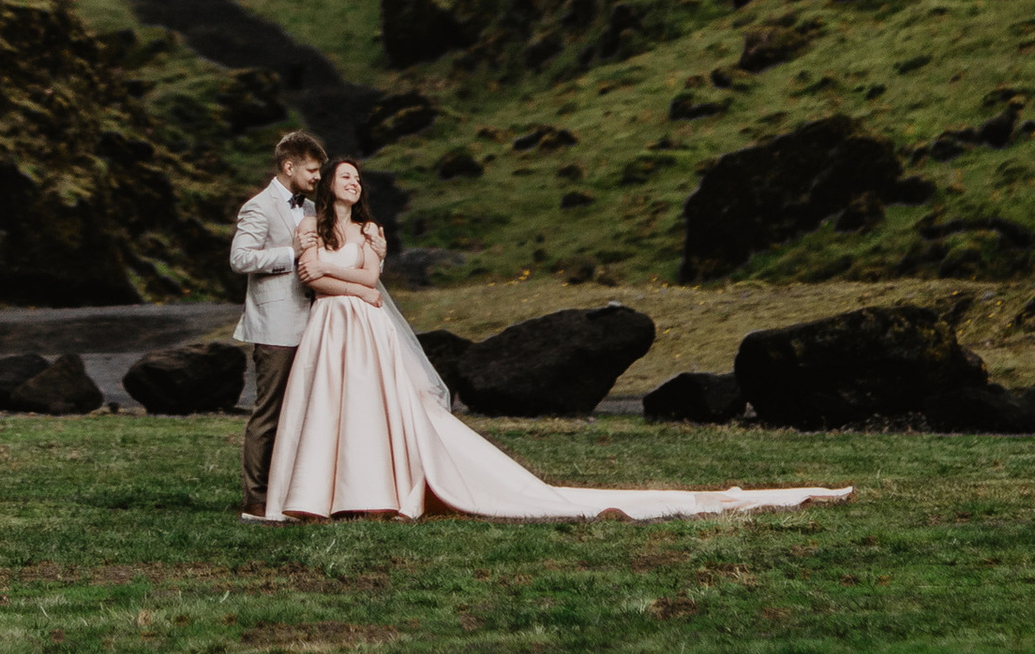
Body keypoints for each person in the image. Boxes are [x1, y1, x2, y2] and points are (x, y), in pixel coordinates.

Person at [257, 155, 853, 527]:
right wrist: (357, 286)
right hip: (333, 327)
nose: (354, 184)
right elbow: (312, 277)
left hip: (363, 327)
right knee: (331, 408)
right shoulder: (313, 225)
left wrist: (357, 284)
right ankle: (323, 493)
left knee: (373, 410)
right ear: (328, 181)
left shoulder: (370, 231)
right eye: (345, 176)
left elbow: (370, 279)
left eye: (359, 178)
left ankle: (374, 490)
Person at [228, 127, 327, 522]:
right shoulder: (258, 206)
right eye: (312, 170)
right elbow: (240, 259)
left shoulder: (309, 209)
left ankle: (294, 492)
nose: (318, 177)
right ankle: (255, 499)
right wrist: (290, 253)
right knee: (269, 412)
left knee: (306, 410)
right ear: (289, 166)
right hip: (275, 325)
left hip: (314, 322)